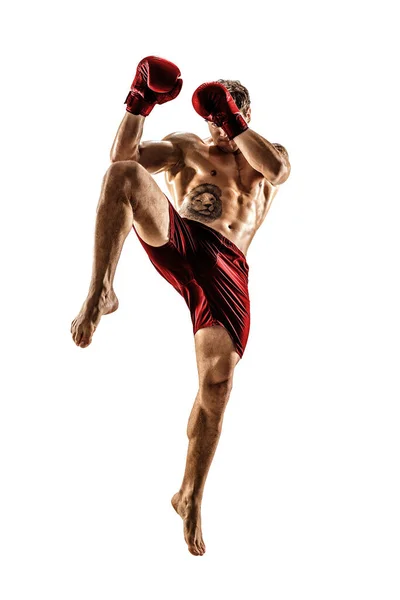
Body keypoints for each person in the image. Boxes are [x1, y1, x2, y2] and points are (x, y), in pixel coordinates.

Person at [70, 55, 291, 556]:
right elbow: (121, 157)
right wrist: (139, 101)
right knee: (122, 177)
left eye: (223, 117)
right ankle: (101, 289)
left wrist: (233, 120)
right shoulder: (187, 148)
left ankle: (189, 493)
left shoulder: (264, 155)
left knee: (217, 387)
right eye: (210, 118)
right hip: (181, 238)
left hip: (227, 270)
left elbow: (278, 171)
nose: (213, 127)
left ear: (241, 115)